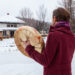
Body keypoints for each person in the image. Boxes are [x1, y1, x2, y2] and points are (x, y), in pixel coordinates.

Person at [24, 7, 75, 75]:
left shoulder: (54, 35)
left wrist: (29, 48)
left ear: (54, 18)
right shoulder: (71, 36)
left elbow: (45, 61)